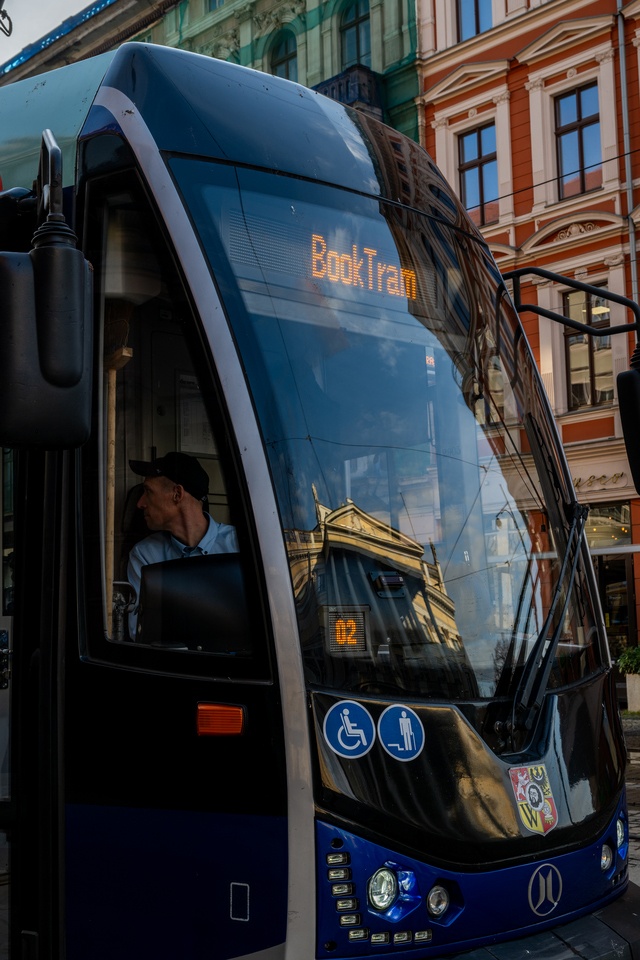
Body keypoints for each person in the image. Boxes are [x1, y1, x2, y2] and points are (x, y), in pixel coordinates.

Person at [126, 452, 238, 639]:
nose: (140, 503)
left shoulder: (238, 545)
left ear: (177, 494)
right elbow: (137, 631)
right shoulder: (144, 555)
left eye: (148, 491)